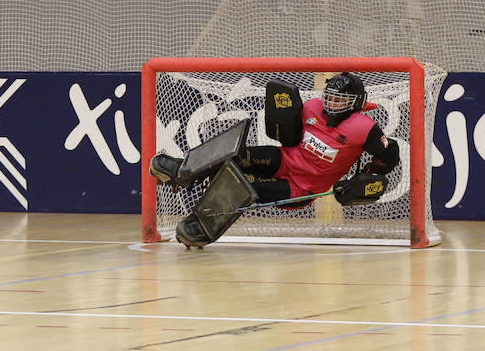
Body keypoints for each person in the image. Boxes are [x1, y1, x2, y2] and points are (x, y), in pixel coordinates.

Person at [150, 72, 400, 247]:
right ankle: (183, 169)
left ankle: (200, 227)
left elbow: (389, 156)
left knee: (245, 188)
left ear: (355, 103)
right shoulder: (312, 107)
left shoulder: (364, 128)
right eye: (330, 97)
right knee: (239, 155)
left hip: (301, 188)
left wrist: (365, 175)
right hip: (285, 159)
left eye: (340, 100)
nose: (332, 104)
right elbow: (289, 133)